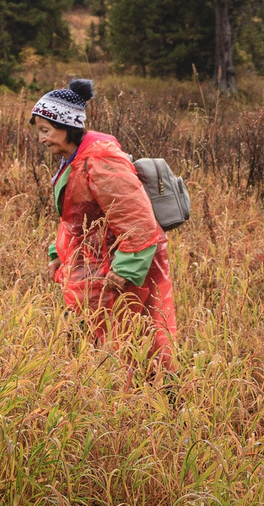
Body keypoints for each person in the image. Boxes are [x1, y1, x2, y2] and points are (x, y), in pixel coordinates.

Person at [32, 79, 177, 374]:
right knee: (91, 344)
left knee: (136, 343)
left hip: (116, 270)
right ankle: (100, 403)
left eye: (45, 131)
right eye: (38, 131)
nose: (41, 139)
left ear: (66, 127)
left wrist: (123, 272)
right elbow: (76, 218)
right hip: (91, 268)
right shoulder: (75, 159)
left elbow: (138, 220)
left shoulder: (100, 161)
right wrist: (56, 254)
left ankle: (162, 403)